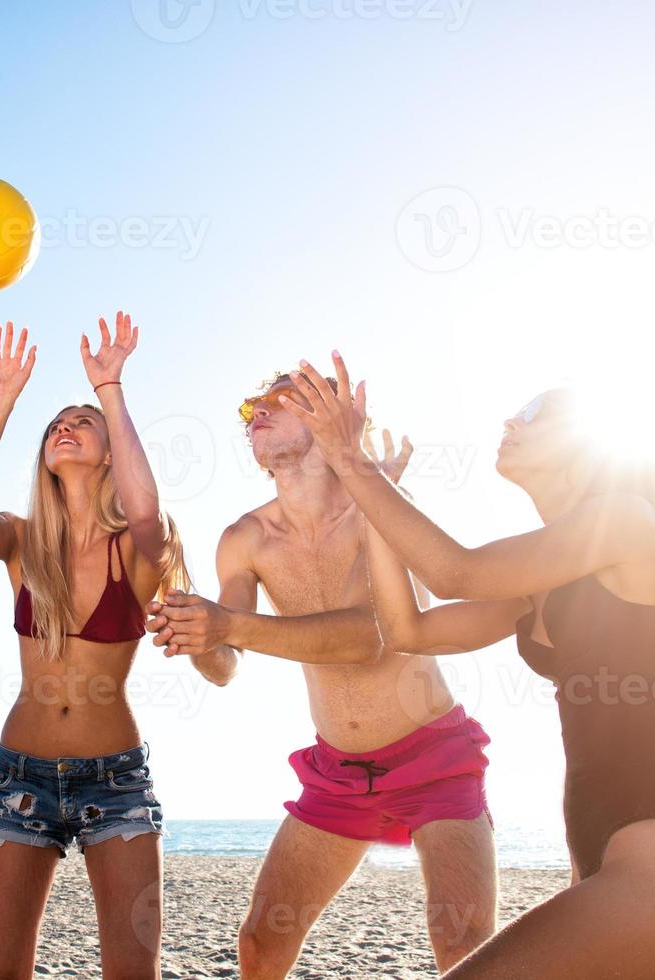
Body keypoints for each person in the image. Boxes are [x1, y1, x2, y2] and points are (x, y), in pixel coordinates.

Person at [282, 353, 655, 978]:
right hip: (609, 875)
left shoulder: (626, 523)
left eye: (537, 413)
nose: (512, 418)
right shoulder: (539, 585)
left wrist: (353, 461)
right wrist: (374, 502)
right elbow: (409, 630)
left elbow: (454, 571)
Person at [147, 370, 497, 977]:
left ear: (328, 417)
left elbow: (371, 636)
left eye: (281, 396)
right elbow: (226, 665)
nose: (257, 408)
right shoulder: (245, 538)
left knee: (464, 947)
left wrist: (225, 625)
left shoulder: (380, 508)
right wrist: (191, 628)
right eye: (252, 403)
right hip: (338, 771)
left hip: (433, 758)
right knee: (259, 944)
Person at [0, 313, 190, 979]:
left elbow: (145, 512)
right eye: (57, 421)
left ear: (111, 451)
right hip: (19, 779)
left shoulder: (140, 548)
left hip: (115, 781)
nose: (65, 425)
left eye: (83, 421)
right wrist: (0, 402)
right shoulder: (25, 542)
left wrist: (109, 387)